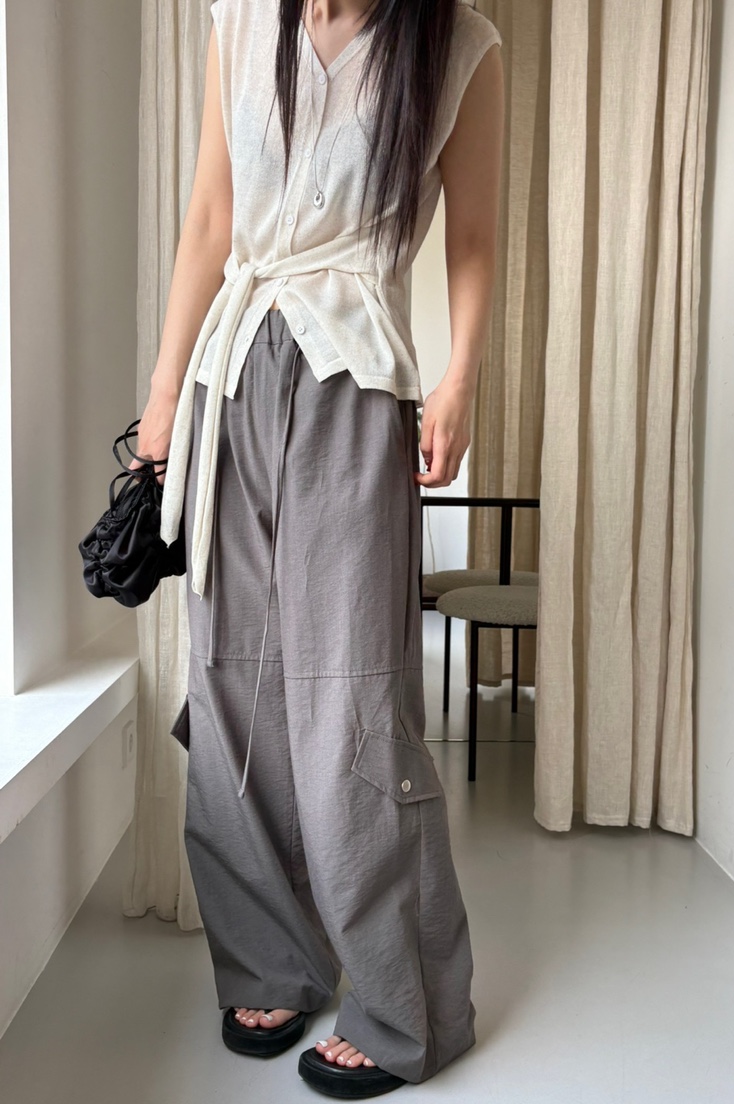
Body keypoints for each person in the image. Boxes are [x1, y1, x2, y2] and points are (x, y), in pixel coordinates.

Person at [132, 0, 503, 1096]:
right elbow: (212, 217)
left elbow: (473, 235)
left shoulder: (459, 43)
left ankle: (408, 1006)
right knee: (234, 682)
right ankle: (273, 963)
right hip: (231, 376)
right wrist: (165, 395)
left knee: (352, 692)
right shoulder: (240, 21)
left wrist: (461, 377)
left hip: (356, 379)